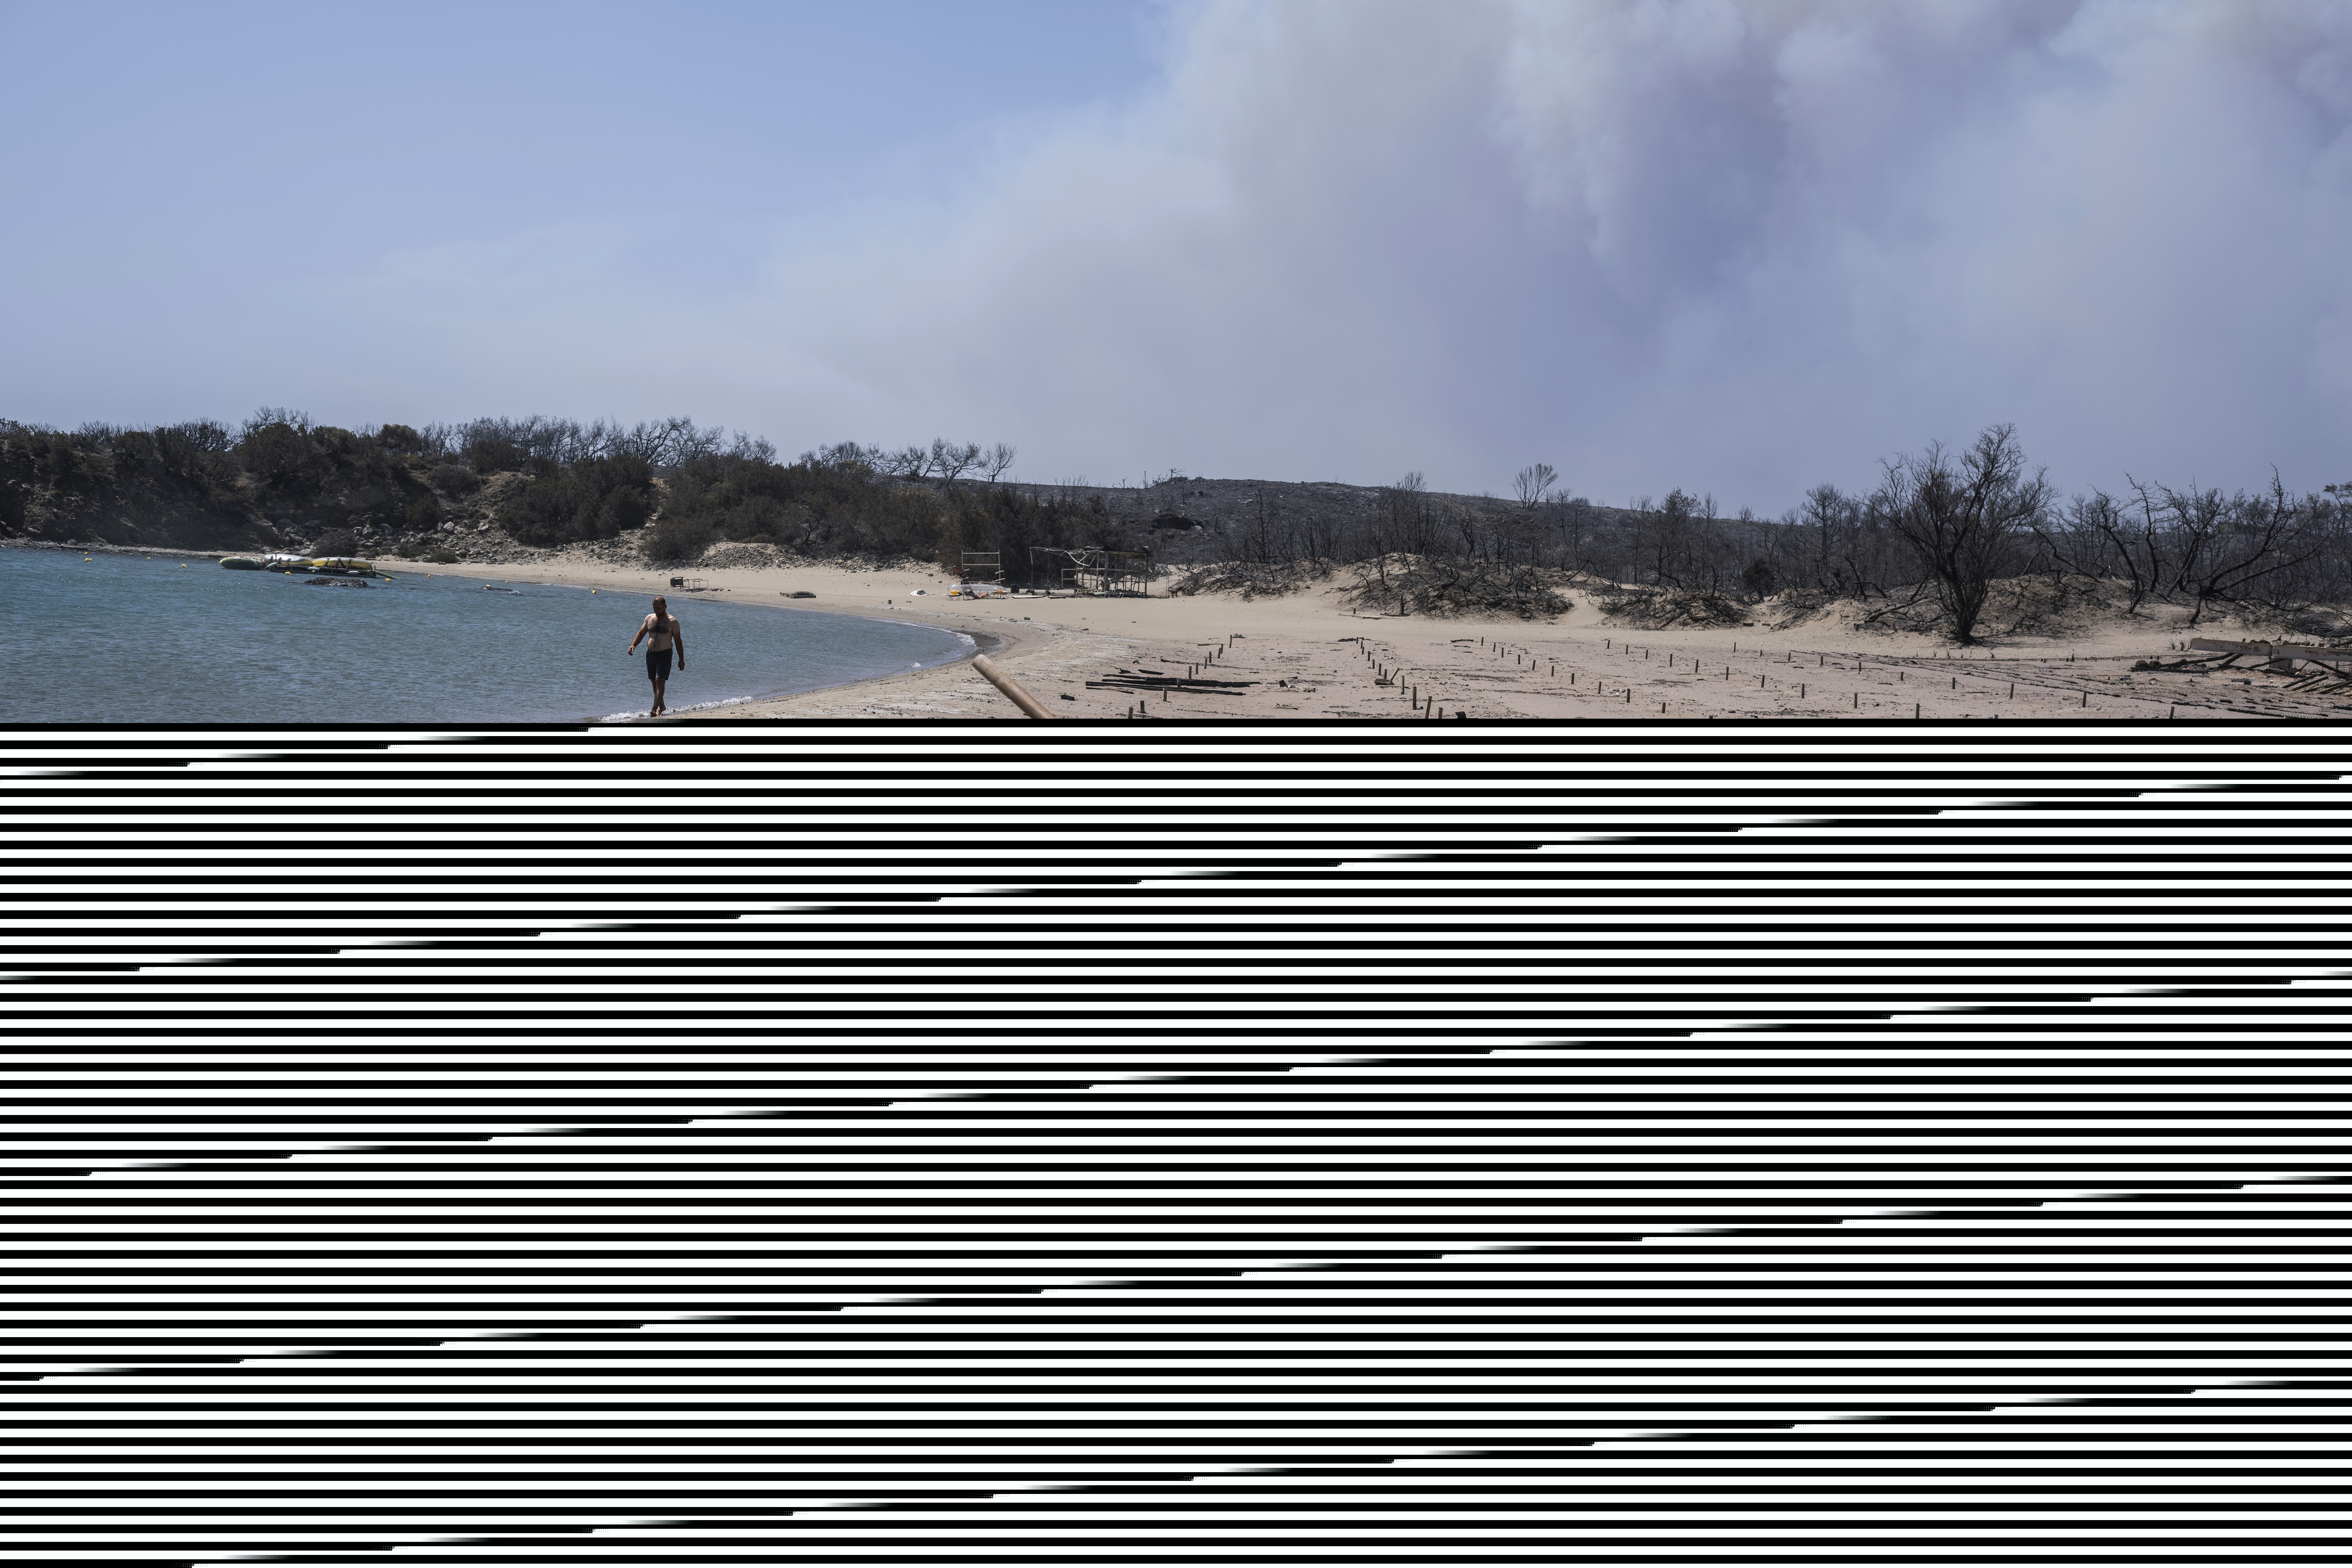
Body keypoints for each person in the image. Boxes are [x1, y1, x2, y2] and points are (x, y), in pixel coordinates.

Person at [626, 596, 685, 716]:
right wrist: (633, 645)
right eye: (654, 608)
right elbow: (641, 634)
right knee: (654, 682)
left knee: (660, 681)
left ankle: (654, 708)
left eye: (659, 608)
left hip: (665, 655)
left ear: (665, 607)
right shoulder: (650, 618)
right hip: (651, 655)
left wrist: (681, 660)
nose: (656, 610)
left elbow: (678, 641)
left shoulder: (673, 622)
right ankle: (662, 706)